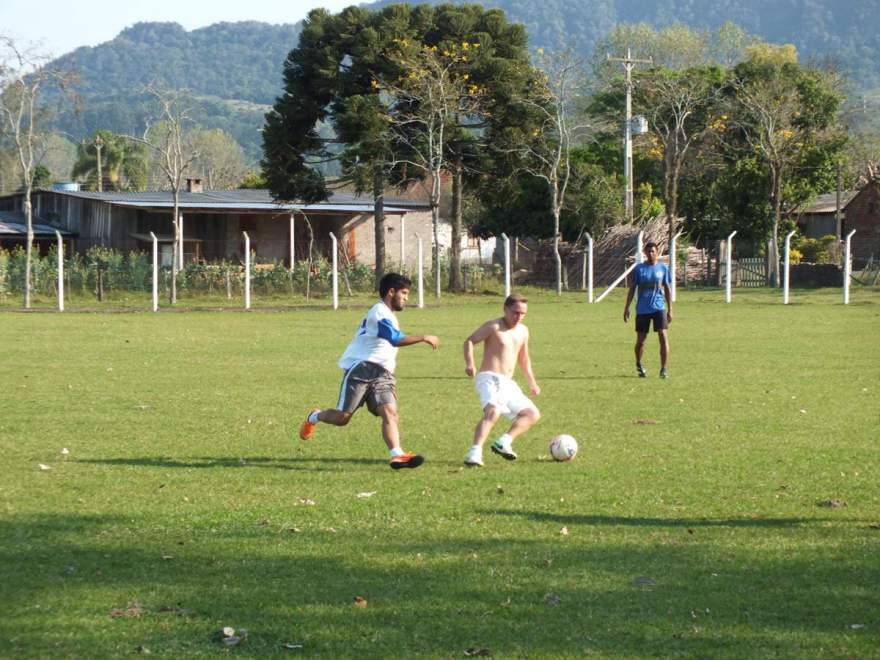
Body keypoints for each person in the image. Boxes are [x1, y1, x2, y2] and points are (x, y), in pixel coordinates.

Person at [298, 273, 439, 469]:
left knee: (390, 412)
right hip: (361, 370)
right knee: (342, 418)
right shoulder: (379, 312)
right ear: (391, 292)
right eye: (404, 293)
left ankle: (397, 455)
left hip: (382, 374)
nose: (406, 298)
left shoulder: (388, 314)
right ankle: (314, 416)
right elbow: (394, 339)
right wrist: (424, 337)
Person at [462, 294, 541, 467]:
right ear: (505, 309)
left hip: (508, 382)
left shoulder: (523, 331)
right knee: (493, 412)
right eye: (515, 312)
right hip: (490, 378)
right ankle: (474, 452)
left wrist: (532, 382)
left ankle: (504, 442)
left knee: (532, 414)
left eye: (523, 314)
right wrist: (470, 364)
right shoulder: (493, 326)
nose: (518, 317)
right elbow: (469, 341)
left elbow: (524, 359)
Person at [623, 241, 673, 378]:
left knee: (663, 336)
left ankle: (664, 369)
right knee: (641, 340)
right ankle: (639, 363)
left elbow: (667, 289)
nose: (651, 254)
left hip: (659, 307)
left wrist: (670, 309)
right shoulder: (639, 269)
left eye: (653, 251)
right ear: (645, 253)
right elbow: (632, 288)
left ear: (657, 253)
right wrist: (627, 307)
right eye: (648, 251)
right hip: (643, 309)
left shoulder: (663, 268)